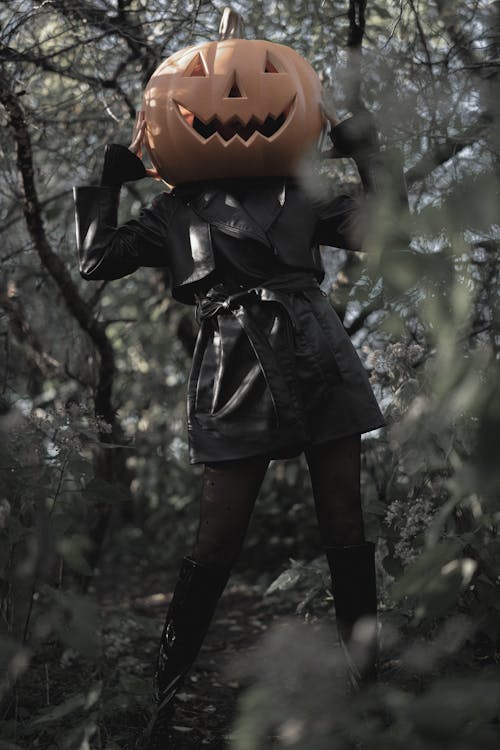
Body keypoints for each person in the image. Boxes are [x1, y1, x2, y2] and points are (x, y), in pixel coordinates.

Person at [74, 78, 404, 746]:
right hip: (233, 365)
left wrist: (366, 155)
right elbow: (97, 258)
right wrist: (107, 184)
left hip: (318, 353)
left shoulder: (305, 191)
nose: (229, 99)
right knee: (215, 540)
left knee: (345, 524)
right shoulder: (176, 207)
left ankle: (367, 695)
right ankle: (160, 704)